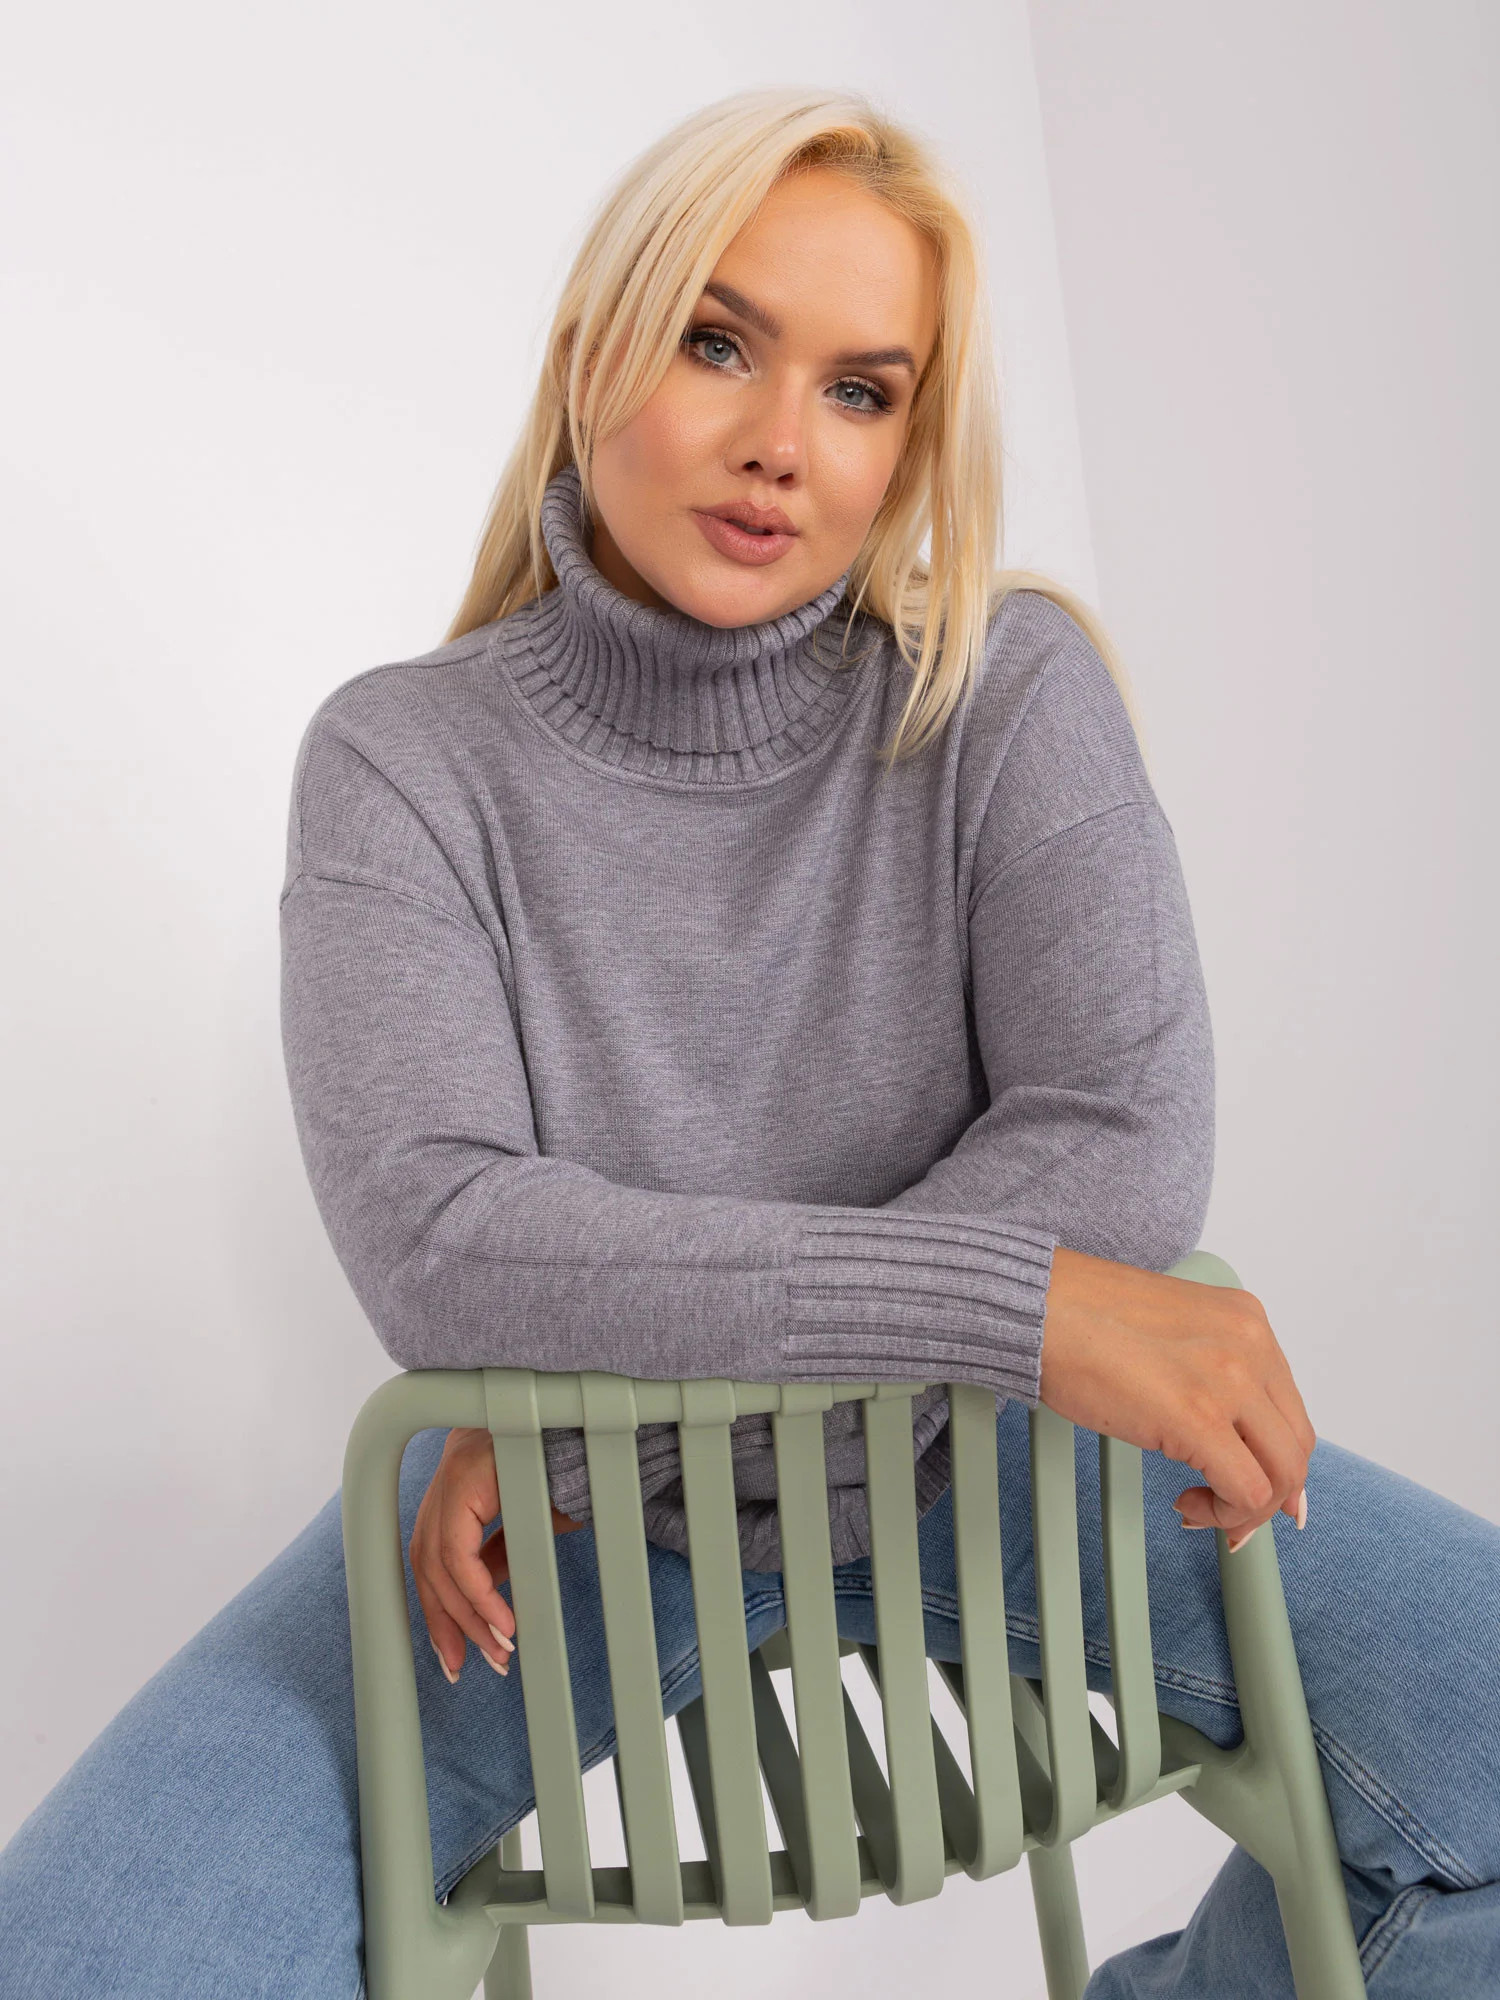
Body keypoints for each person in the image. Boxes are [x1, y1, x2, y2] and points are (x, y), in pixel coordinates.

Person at [1, 84, 1495, 2000]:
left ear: (907, 445)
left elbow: (1119, 1137)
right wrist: (1023, 1304)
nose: (783, 443)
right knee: (80, 1956)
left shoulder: (1007, 686)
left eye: (861, 391)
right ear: (589, 355)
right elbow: (444, 1239)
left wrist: (598, 1393)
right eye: (720, 344)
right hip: (564, 1539)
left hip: (949, 1460)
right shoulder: (399, 759)